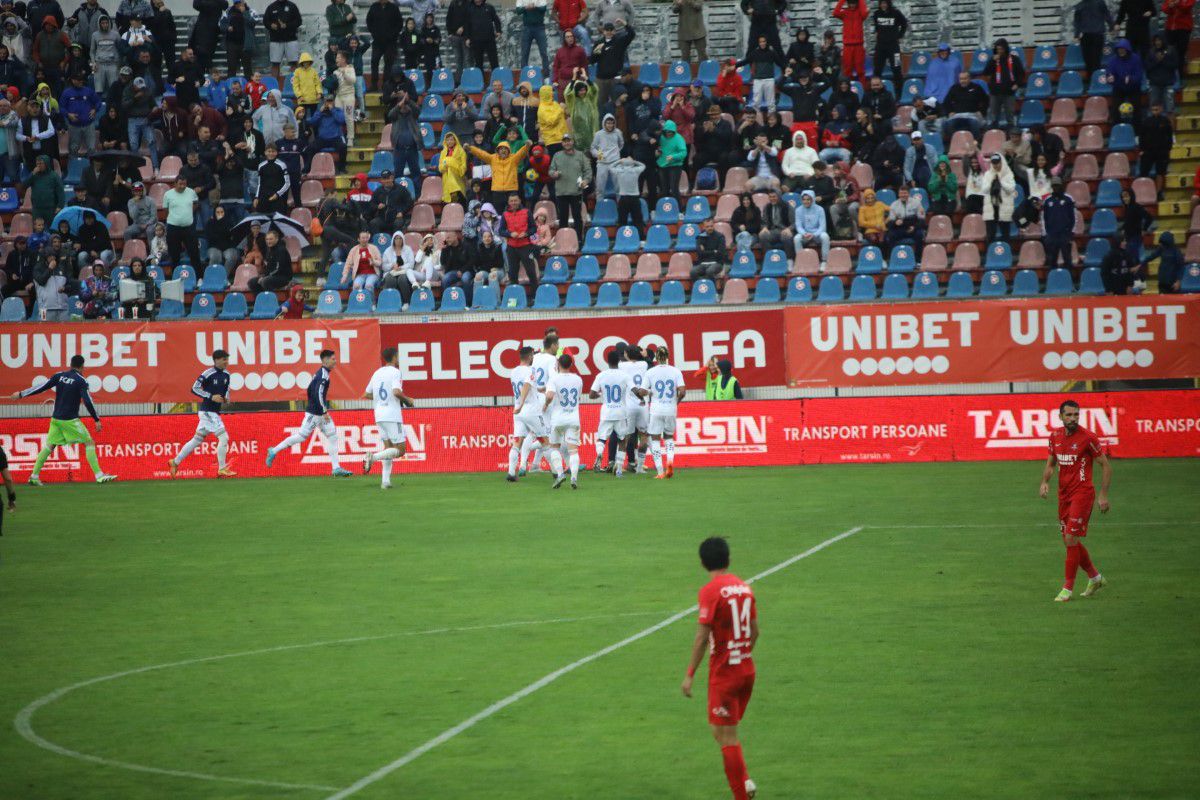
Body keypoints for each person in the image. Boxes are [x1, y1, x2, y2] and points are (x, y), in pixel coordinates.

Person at [681, 535, 759, 800]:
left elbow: (702, 637)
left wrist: (689, 675)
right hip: (747, 670)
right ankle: (745, 779)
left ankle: (741, 794)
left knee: (726, 737)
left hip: (725, 676)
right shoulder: (745, 588)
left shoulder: (710, 591)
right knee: (723, 731)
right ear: (729, 559)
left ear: (703, 563)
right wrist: (741, 653)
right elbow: (755, 631)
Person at [1039, 400, 1110, 602]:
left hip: (1083, 493)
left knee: (1070, 538)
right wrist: (1045, 481)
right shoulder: (1054, 436)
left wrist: (1103, 495)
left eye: (1076, 415)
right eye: (1069, 415)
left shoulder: (1088, 438)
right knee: (1069, 540)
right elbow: (1051, 462)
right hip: (1064, 495)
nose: (1073, 419)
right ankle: (1095, 577)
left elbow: (1106, 466)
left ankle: (1067, 589)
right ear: (1060, 416)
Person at [9, 355, 116, 485]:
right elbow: (88, 401)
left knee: (50, 445)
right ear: (82, 367)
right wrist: (96, 419)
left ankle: (34, 476)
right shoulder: (81, 381)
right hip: (69, 420)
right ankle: (99, 475)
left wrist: (21, 394)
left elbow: (41, 387)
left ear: (70, 364)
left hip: (55, 419)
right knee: (89, 442)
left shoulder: (59, 375)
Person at [266, 349, 353, 476]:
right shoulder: (323, 375)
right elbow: (317, 393)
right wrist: (323, 411)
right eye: (333, 359)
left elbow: (311, 391)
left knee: (333, 436)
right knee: (301, 436)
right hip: (316, 413)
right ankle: (274, 450)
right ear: (325, 360)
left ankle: (336, 468)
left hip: (318, 412)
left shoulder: (322, 373)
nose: (335, 361)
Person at [168, 350, 237, 479]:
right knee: (224, 437)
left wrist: (227, 398)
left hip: (213, 412)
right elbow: (194, 388)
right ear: (216, 360)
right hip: (207, 412)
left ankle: (175, 462)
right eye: (224, 359)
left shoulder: (227, 375)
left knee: (196, 441)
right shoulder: (208, 373)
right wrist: (211, 396)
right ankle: (222, 469)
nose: (226, 362)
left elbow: (226, 390)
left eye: (227, 359)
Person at [362, 346, 415, 489]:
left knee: (388, 448)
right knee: (401, 450)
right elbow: (396, 392)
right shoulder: (396, 372)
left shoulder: (377, 373)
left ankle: (385, 482)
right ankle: (372, 457)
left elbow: (366, 394)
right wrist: (407, 400)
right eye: (397, 356)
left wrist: (380, 398)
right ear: (394, 357)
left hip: (379, 415)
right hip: (392, 415)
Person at [632, 346, 686, 479]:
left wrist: (647, 392)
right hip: (670, 409)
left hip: (656, 409)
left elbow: (642, 391)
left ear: (656, 357)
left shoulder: (651, 372)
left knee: (655, 438)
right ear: (668, 356)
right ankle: (670, 462)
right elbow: (683, 391)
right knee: (668, 437)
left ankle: (660, 471)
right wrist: (676, 402)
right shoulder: (675, 371)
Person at [585, 348, 632, 476]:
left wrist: (601, 394)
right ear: (618, 361)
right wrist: (642, 397)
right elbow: (634, 389)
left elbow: (591, 395)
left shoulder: (601, 375)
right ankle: (619, 469)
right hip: (621, 412)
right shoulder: (624, 375)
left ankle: (600, 454)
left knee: (601, 438)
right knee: (622, 440)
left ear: (607, 361)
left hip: (606, 412)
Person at [542, 351, 584, 489]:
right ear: (571, 364)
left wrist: (546, 404)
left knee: (554, 447)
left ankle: (560, 474)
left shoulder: (553, 379)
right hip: (573, 418)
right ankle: (574, 477)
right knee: (573, 451)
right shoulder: (578, 379)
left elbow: (549, 396)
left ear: (558, 364)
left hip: (558, 419)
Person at [507, 346, 547, 481]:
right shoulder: (531, 370)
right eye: (532, 356)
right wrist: (521, 404)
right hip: (530, 409)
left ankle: (511, 473)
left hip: (518, 413)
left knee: (517, 441)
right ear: (530, 357)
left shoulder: (513, 371)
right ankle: (557, 472)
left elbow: (529, 386)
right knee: (545, 441)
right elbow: (526, 386)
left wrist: (541, 389)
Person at [550, 132, 590, 237]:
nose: (567, 143)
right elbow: (551, 170)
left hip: (576, 191)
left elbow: (588, 171)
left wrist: (586, 180)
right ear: (562, 143)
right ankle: (563, 240)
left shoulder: (581, 155)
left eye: (569, 141)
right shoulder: (557, 155)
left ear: (573, 142)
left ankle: (579, 239)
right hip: (561, 192)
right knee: (563, 218)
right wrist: (554, 174)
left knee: (577, 217)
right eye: (565, 141)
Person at [589, 20, 634, 112]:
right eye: (607, 30)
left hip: (615, 78)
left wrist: (624, 23)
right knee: (600, 104)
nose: (609, 32)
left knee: (617, 103)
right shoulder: (599, 43)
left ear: (614, 31)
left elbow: (631, 34)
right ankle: (601, 124)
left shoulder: (619, 41)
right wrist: (595, 53)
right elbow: (592, 61)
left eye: (611, 30)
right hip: (601, 79)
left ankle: (617, 124)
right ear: (603, 31)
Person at [984, 38, 1024, 129]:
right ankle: (994, 133)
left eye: (1001, 49)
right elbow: (985, 72)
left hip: (1009, 92)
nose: (999, 51)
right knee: (993, 117)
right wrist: (992, 61)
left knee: (1010, 116)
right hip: (995, 92)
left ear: (1005, 48)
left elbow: (1021, 74)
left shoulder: (1014, 59)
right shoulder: (993, 60)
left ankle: (1011, 133)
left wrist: (1017, 84)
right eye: (997, 49)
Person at [1138, 101, 1173, 197]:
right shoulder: (1146, 121)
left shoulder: (1165, 121)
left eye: (1157, 109)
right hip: (1148, 151)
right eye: (1153, 110)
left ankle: (1158, 192)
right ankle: (1144, 192)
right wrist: (1142, 150)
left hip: (1162, 151)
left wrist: (1168, 149)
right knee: (1144, 172)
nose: (1155, 111)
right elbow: (1142, 136)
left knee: (1160, 172)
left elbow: (1169, 136)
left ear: (1161, 109)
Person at [872, 0, 907, 95]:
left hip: (894, 47)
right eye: (881, 3)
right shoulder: (876, 14)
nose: (883, 5)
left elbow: (904, 24)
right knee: (877, 69)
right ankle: (876, 93)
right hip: (880, 47)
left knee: (897, 69)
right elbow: (877, 27)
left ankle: (899, 94)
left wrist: (899, 36)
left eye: (885, 3)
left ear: (889, 3)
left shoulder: (896, 13)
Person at [1106, 39, 1143, 123]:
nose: (1121, 51)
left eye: (1123, 49)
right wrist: (1110, 77)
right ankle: (1116, 128)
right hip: (1119, 87)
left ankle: (1137, 131)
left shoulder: (1136, 59)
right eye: (1119, 50)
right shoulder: (1113, 60)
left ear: (1128, 49)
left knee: (1136, 109)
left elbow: (1139, 75)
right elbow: (1109, 72)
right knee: (1115, 109)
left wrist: (1130, 79)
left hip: (1133, 87)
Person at [263, 0, 301, 81]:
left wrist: (287, 25)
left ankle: (294, 84)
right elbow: (265, 21)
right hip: (276, 40)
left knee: (294, 63)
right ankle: (274, 86)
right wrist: (271, 25)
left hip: (291, 40)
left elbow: (299, 21)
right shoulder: (271, 7)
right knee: (275, 64)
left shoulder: (292, 6)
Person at [981, 153, 1016, 242]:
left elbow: (1011, 189)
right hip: (991, 209)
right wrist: (991, 182)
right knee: (990, 236)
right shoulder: (988, 174)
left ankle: (1007, 254)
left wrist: (1001, 181)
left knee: (1005, 235)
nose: (995, 165)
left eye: (997, 162)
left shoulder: (1008, 173)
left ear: (1002, 162)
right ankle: (989, 254)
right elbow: (984, 190)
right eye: (993, 163)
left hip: (1004, 208)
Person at [832, 0, 868, 82]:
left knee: (860, 71)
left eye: (854, 3)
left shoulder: (860, 13)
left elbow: (864, 13)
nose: (852, 5)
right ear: (848, 3)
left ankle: (863, 91)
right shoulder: (844, 13)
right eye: (850, 3)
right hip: (847, 46)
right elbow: (835, 13)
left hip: (859, 46)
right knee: (847, 71)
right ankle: (848, 90)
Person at [249, 227, 292, 293]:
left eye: (271, 239)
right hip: (273, 276)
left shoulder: (281, 250)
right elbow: (268, 267)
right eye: (267, 239)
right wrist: (263, 275)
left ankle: (272, 300)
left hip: (283, 277)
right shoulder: (269, 250)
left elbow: (278, 269)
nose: (268, 241)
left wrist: (265, 276)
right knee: (252, 282)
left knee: (265, 281)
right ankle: (260, 300)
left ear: (277, 239)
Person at [794, 189, 830, 267]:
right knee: (797, 238)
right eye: (804, 199)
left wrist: (814, 234)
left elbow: (822, 226)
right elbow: (799, 226)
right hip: (805, 234)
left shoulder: (820, 209)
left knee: (825, 236)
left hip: (817, 234)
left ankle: (824, 261)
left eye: (808, 199)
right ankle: (801, 261)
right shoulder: (798, 210)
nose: (806, 202)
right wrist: (804, 233)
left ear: (812, 199)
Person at [466, 0, 502, 71]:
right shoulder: (469, 9)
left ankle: (497, 80)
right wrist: (467, 38)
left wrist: (498, 31)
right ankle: (480, 81)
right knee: (478, 63)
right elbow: (467, 24)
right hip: (476, 40)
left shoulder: (489, 7)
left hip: (489, 39)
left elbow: (496, 19)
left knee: (494, 61)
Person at [758, 189, 795, 257]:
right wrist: (764, 228)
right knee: (762, 236)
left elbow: (794, 223)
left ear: (779, 196)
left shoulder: (787, 206)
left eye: (774, 196)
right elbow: (764, 221)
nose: (772, 199)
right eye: (770, 197)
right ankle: (769, 257)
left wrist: (789, 229)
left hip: (785, 229)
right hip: (772, 230)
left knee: (786, 236)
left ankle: (789, 259)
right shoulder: (767, 207)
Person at [1162, 0, 1195, 69]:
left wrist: (1177, 3)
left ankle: (1180, 75)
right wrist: (1170, 6)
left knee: (1181, 53)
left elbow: (1187, 7)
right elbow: (1165, 9)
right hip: (1170, 28)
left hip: (1183, 28)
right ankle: (1169, 74)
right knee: (1168, 52)